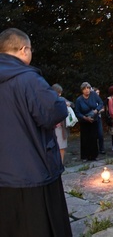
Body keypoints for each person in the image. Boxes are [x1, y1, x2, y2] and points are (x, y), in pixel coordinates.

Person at [0, 28, 72, 236]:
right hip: (32, 170)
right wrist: (60, 102)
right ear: (24, 50)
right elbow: (52, 113)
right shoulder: (27, 79)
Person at [75, 82, 104, 161]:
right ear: (82, 90)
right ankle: (85, 156)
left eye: (88, 88)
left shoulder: (94, 95)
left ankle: (94, 155)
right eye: (85, 89)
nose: (87, 90)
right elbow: (77, 112)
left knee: (94, 137)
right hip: (84, 121)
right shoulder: (79, 100)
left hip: (94, 119)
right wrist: (85, 118)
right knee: (85, 138)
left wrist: (97, 110)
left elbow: (101, 103)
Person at [52, 83, 73, 162]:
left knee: (62, 146)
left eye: (60, 92)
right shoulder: (48, 100)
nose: (60, 94)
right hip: (52, 127)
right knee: (54, 147)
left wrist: (68, 104)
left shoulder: (62, 99)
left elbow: (72, 104)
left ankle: (61, 162)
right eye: (58, 92)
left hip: (62, 127)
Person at [93, 87, 105, 154]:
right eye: (96, 93)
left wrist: (98, 111)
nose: (98, 94)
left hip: (99, 117)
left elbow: (103, 108)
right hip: (93, 118)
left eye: (98, 93)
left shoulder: (99, 100)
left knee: (100, 134)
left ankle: (101, 148)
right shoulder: (91, 100)